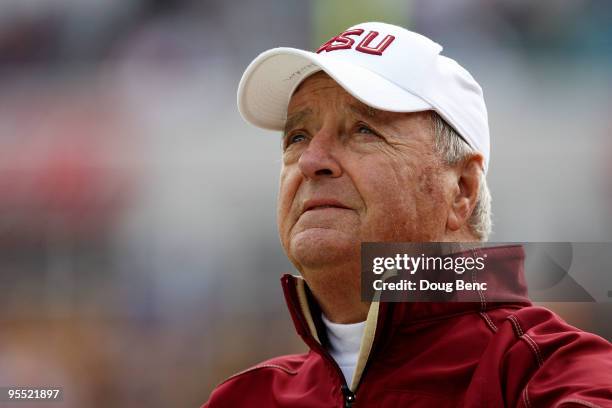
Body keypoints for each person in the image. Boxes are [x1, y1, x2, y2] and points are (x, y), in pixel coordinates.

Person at [204, 22, 612, 407]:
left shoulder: (554, 375)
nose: (312, 160)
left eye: (363, 129)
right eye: (298, 136)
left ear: (462, 191)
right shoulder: (244, 397)